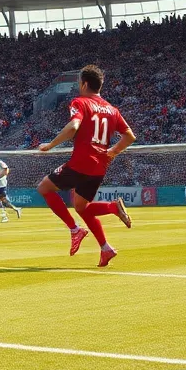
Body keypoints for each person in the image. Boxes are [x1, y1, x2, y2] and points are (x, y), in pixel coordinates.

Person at [37, 65, 134, 267]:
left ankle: (75, 229)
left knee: (44, 188)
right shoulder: (112, 109)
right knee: (82, 207)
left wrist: (50, 145)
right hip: (99, 167)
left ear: (84, 83)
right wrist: (113, 152)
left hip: (81, 163)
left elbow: (73, 127)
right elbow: (129, 136)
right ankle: (106, 246)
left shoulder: (80, 102)